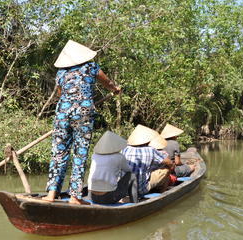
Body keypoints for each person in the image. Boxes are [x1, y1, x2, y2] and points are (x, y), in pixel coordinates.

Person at [42, 40, 121, 205]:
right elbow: (106, 82)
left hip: (62, 112)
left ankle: (51, 194)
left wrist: (69, 102)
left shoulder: (61, 73)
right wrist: (115, 89)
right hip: (83, 112)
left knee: (59, 152)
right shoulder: (91, 67)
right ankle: (75, 197)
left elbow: (59, 93)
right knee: (80, 153)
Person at [121, 124, 174, 197]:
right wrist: (171, 166)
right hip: (141, 190)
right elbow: (169, 162)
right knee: (167, 169)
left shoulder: (123, 149)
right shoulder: (150, 150)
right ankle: (162, 194)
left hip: (123, 189)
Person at [86, 131, 138, 204]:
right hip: (108, 198)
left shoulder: (94, 155)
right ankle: (135, 203)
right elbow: (128, 170)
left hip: (92, 196)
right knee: (132, 175)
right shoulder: (119, 157)